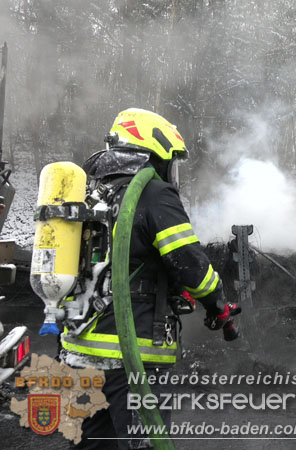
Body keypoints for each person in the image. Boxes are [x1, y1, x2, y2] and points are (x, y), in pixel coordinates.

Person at [62, 108, 241, 449]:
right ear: (153, 154)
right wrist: (218, 302)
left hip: (80, 353)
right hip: (132, 359)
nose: (171, 171)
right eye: (170, 161)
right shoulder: (154, 194)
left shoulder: (95, 194)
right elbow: (191, 264)